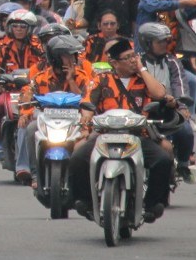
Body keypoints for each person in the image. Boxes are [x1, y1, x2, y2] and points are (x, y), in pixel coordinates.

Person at [69, 38, 172, 222]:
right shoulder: (101, 79)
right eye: (127, 58)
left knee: (163, 159)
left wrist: (142, 68)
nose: (133, 60)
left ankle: (153, 204)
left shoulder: (143, 79)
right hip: (104, 134)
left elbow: (159, 94)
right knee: (77, 155)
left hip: (138, 135)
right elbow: (87, 102)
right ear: (114, 63)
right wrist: (86, 115)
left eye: (134, 56)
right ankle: (84, 200)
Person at [15, 36, 91, 187]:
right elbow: (27, 96)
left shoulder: (81, 77)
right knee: (30, 129)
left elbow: (85, 99)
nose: (72, 59)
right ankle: (35, 173)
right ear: (56, 57)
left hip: (74, 120)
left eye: (73, 55)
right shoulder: (40, 78)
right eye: (67, 55)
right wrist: (25, 113)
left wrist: (71, 80)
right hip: (47, 120)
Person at [137, 23, 195, 183]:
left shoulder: (172, 61)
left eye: (166, 41)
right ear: (147, 43)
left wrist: (182, 106)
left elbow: (179, 84)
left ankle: (183, 165)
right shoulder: (138, 62)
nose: (165, 45)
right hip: (143, 110)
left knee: (186, 132)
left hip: (169, 108)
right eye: (159, 41)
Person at [0, 9, 43, 165]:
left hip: (32, 89)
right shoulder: (2, 44)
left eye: (22, 26)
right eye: (15, 26)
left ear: (30, 28)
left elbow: (44, 67)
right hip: (10, 88)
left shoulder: (38, 45)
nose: (18, 29)